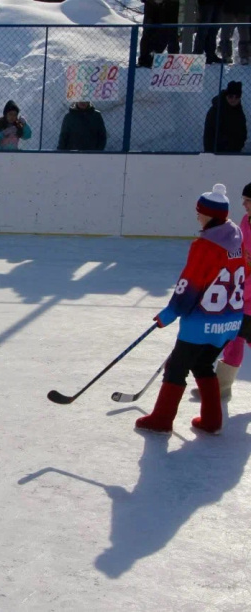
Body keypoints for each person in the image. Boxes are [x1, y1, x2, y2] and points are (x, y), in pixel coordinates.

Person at [135, 184, 244, 435]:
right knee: (204, 364)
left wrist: (170, 313)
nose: (197, 215)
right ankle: (212, 420)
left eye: (200, 212)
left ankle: (161, 420)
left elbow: (191, 284)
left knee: (176, 367)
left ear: (211, 215)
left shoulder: (205, 246)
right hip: (229, 321)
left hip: (201, 323)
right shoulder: (236, 238)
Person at [191, 181, 251, 401]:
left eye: (249, 201)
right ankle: (222, 388)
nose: (244, 204)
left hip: (247, 295)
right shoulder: (245, 221)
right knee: (233, 337)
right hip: (240, 292)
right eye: (244, 200)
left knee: (239, 335)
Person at [203, 80, 247, 153]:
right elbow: (208, 135)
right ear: (226, 95)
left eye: (237, 97)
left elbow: (243, 132)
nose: (233, 99)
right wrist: (210, 153)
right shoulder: (215, 110)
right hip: (216, 152)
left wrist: (237, 147)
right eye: (230, 96)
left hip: (234, 152)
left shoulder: (239, 112)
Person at [137, 0, 181, 68]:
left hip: (170, 8)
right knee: (148, 34)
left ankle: (174, 62)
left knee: (171, 34)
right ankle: (145, 61)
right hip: (152, 8)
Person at [218, 0, 251, 65]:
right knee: (227, 30)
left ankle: (244, 55)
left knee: (243, 31)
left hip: (242, 7)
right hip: (230, 6)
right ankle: (226, 54)